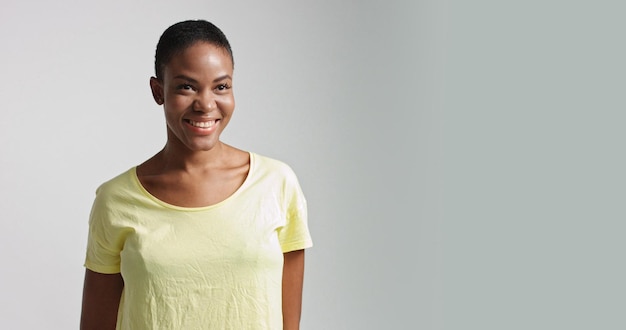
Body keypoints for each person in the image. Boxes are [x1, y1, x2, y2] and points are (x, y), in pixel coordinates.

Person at [80, 20, 312, 330]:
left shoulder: (276, 184)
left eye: (221, 86)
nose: (205, 104)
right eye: (187, 86)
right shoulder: (116, 200)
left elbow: (289, 323)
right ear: (158, 90)